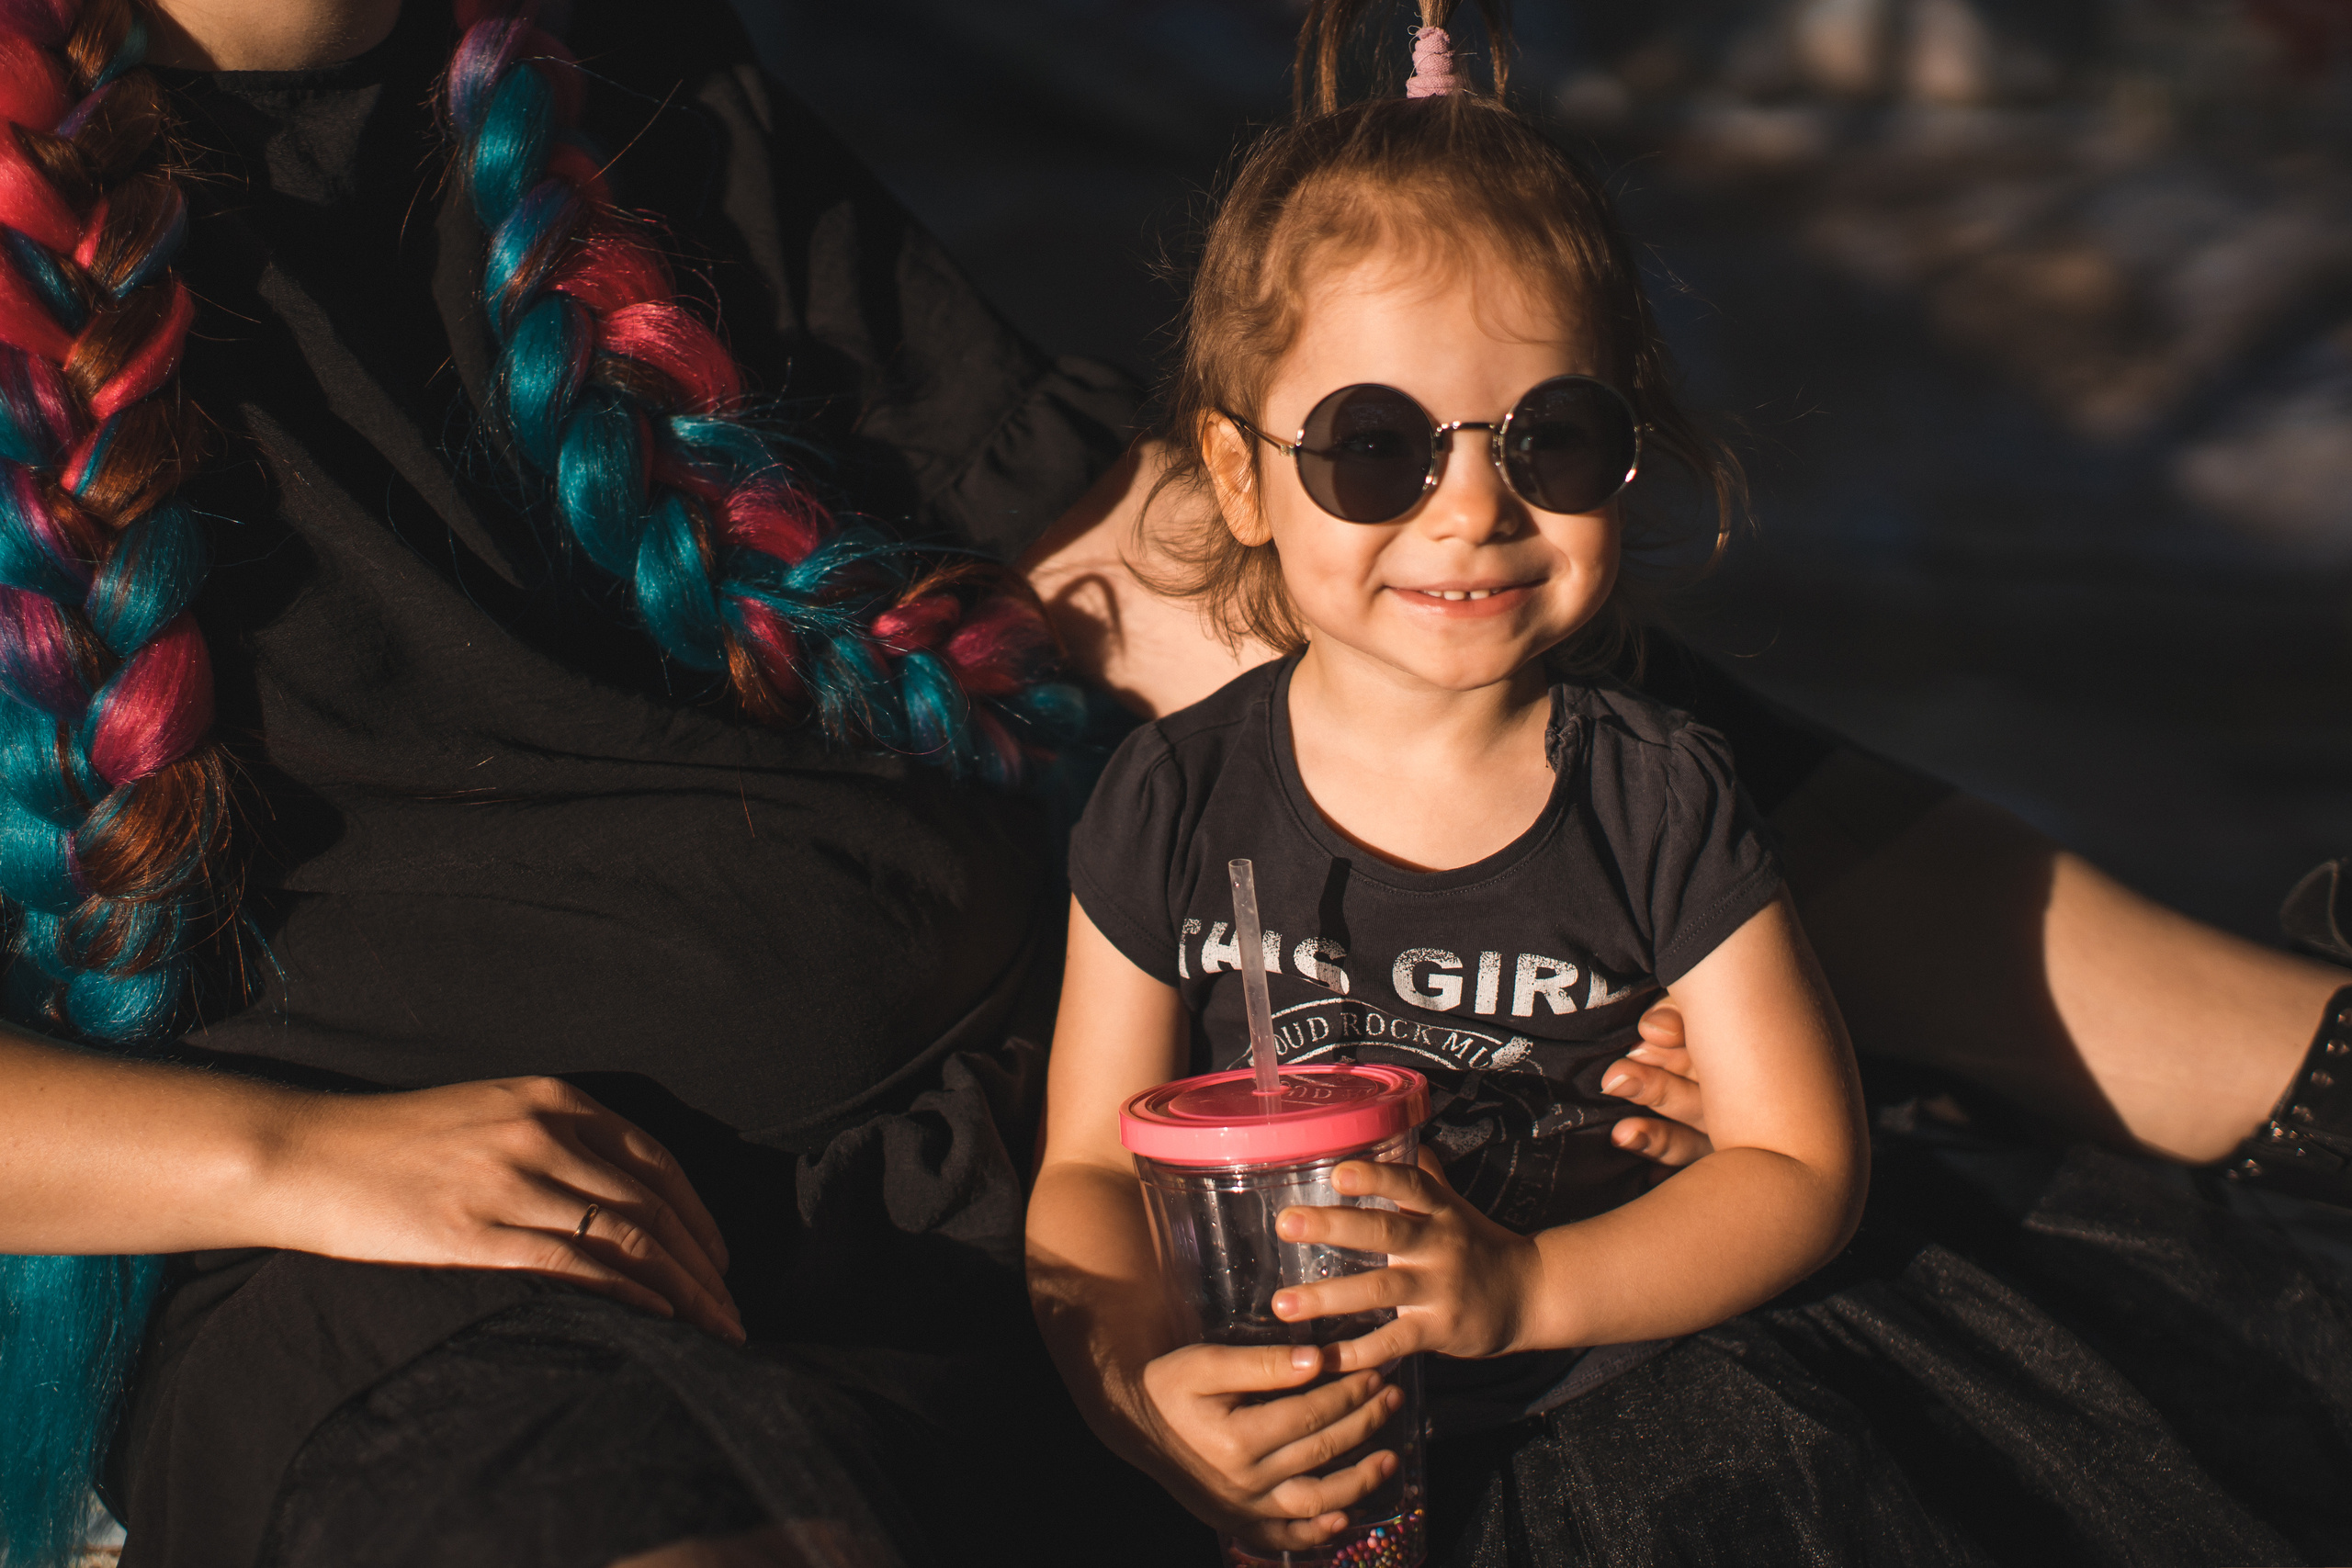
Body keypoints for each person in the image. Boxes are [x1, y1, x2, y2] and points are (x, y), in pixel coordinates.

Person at [1027, 6, 2352, 1565]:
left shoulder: (1659, 793)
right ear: (1240, 475)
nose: (1470, 509)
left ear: (1631, 458)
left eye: (1552, 439)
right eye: (1374, 446)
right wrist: (1134, 1386)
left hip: (1656, 1421)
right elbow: (1087, 1169)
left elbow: (1802, 1164)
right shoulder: (1170, 800)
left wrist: (1531, 1293)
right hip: (1317, 1447)